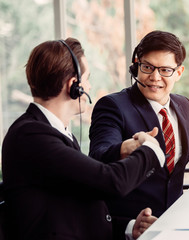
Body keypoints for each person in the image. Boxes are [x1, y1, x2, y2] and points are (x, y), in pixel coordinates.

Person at [1, 38, 163, 240]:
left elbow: (76, 207)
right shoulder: (31, 135)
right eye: (87, 78)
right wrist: (151, 150)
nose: (89, 85)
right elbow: (111, 181)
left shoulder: (54, 132)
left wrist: (129, 228)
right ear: (73, 85)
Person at [89, 30, 189, 238]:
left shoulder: (184, 106)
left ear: (179, 72)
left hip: (177, 222)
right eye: (148, 67)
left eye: (165, 70)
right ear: (136, 66)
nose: (155, 77)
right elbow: (99, 157)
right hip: (134, 226)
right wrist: (126, 149)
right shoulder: (113, 106)